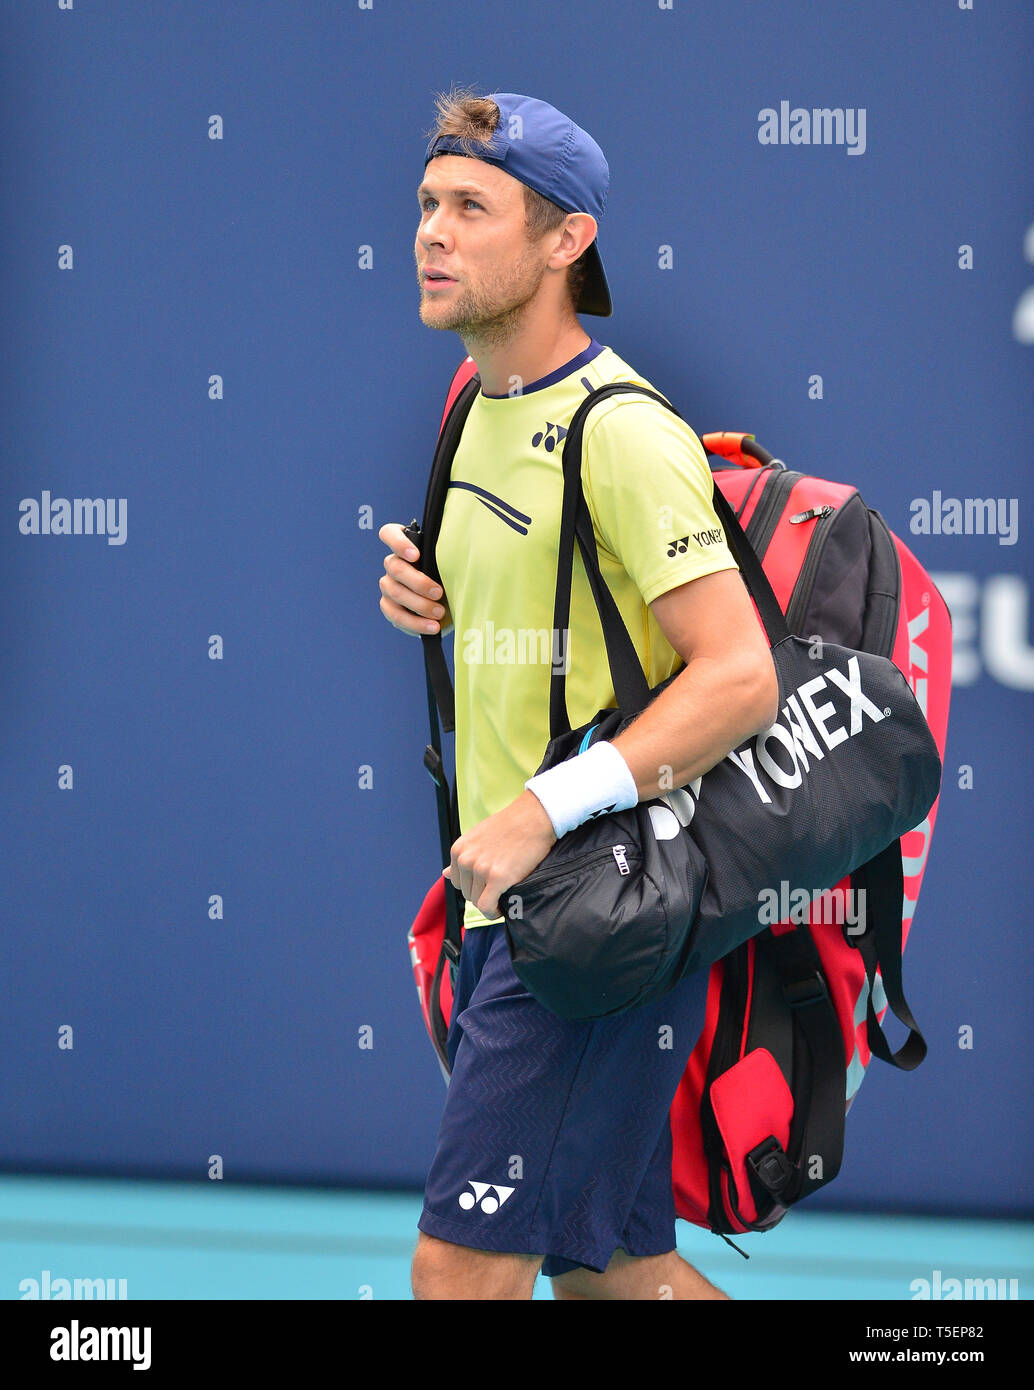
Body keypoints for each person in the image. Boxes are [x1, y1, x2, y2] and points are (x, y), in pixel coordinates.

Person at [379, 87, 778, 1301]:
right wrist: (425, 589)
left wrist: (542, 812)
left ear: (566, 241)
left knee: (458, 1274)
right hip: (521, 901)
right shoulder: (470, 404)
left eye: (472, 208)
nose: (432, 233)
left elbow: (740, 675)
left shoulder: (620, 429)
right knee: (616, 1276)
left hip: (595, 918)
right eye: (427, 204)